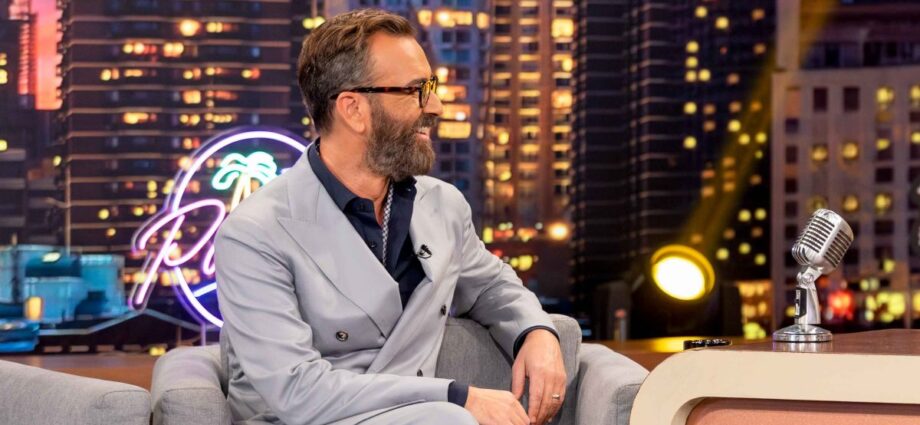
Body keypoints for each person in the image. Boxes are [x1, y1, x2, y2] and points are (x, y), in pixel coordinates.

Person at [215, 9, 565, 425]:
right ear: (353, 109)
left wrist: (535, 332)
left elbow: (491, 286)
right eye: (416, 90)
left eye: (431, 88)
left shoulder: (444, 205)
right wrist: (455, 397)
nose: (435, 106)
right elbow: (297, 391)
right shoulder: (253, 233)